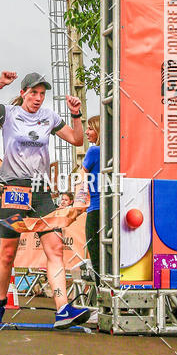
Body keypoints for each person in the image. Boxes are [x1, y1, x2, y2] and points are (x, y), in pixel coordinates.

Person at [0, 70, 90, 329]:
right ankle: (0, 304)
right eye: (33, 93)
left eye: (42, 94)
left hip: (42, 190)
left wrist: (76, 114)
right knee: (8, 253)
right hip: (14, 190)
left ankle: (62, 309)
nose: (38, 98)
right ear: (23, 93)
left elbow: (77, 139)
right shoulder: (8, 114)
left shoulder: (49, 117)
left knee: (55, 248)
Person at [82, 115, 101, 286]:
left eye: (90, 128)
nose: (86, 132)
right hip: (114, 209)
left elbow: (81, 178)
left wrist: (77, 205)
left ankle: (103, 297)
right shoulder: (116, 151)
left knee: (95, 253)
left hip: (95, 209)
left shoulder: (94, 151)